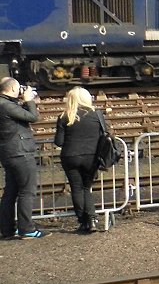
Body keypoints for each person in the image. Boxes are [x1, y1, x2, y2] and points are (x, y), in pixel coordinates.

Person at [53, 87, 108, 234]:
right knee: (86, 188)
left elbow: (58, 142)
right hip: (91, 157)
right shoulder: (97, 114)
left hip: (70, 157)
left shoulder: (64, 116)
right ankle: (92, 219)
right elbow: (104, 134)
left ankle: (83, 221)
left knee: (76, 188)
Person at [0, 77, 44, 239]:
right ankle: (27, 229)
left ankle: (7, 229)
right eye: (19, 88)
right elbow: (32, 117)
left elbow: (22, 116)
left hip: (8, 153)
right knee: (27, 191)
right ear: (12, 89)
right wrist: (28, 101)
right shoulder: (5, 105)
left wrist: (25, 101)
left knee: (10, 191)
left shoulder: (5, 103)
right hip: (20, 152)